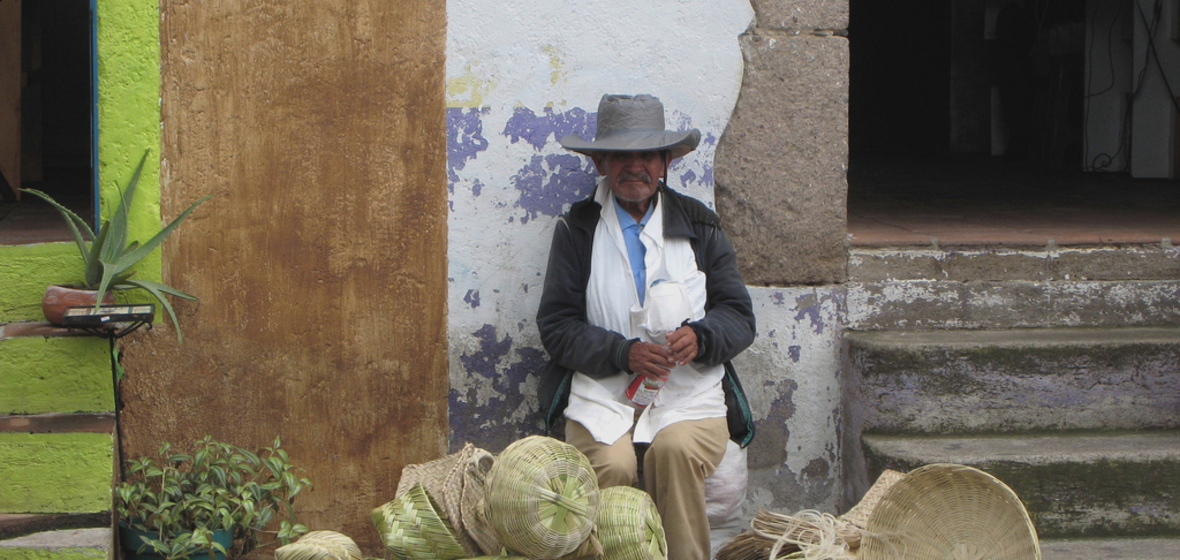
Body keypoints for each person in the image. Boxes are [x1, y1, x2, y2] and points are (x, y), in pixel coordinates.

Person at [536, 93, 756, 560]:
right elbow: (556, 326)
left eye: (646, 155)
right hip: (602, 395)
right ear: (600, 163)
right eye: (621, 156)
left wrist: (701, 336)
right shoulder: (578, 229)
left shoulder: (700, 225)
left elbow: (738, 315)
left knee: (674, 453)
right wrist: (622, 353)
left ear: (665, 163)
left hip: (688, 395)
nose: (634, 167)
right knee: (612, 466)